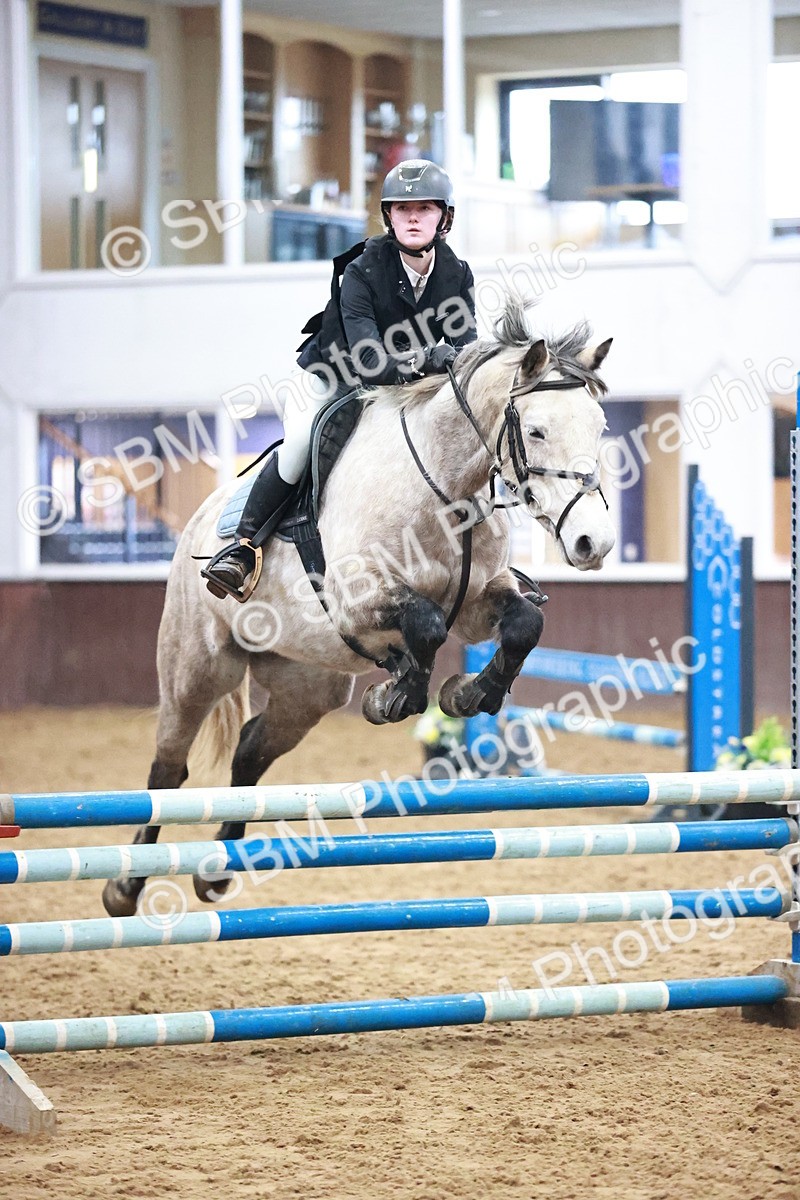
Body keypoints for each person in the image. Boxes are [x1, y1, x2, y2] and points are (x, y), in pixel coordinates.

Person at [203, 159, 477, 600]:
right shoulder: (361, 270)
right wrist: (429, 356)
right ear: (388, 216)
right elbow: (368, 359)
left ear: (444, 218)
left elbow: (466, 352)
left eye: (424, 208)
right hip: (335, 377)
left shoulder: (457, 274)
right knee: (298, 444)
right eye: (402, 208)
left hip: (403, 389)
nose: (412, 218)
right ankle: (242, 546)